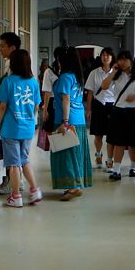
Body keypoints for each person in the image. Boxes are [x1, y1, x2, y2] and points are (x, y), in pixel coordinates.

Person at [0, 49, 42, 208]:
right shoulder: (34, 82)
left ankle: (15, 196)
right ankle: (35, 190)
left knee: (13, 163)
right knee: (24, 159)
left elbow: (2, 106)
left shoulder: (8, 82)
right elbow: (36, 106)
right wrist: (30, 120)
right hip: (27, 128)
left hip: (11, 128)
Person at [50, 46, 92, 201]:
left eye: (58, 59)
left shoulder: (65, 77)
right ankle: (76, 184)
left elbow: (65, 99)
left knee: (66, 154)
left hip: (67, 120)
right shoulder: (76, 77)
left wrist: (65, 122)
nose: (57, 62)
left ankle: (74, 186)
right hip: (79, 120)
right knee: (76, 153)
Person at [101, 49, 135, 181]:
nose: (122, 62)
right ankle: (116, 170)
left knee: (134, 143)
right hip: (118, 111)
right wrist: (113, 71)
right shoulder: (116, 75)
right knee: (119, 142)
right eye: (120, 59)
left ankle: (133, 167)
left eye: (125, 59)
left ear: (130, 60)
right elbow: (104, 86)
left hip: (134, 112)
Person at [0, 31, 24, 195]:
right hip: (23, 118)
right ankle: (18, 181)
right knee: (20, 156)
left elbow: (5, 101)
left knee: (12, 156)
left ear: (12, 48)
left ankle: (13, 185)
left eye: (3, 46)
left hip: (12, 117)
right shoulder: (22, 64)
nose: (0, 49)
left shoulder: (12, 66)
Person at [84, 47, 116, 171]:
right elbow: (90, 93)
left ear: (112, 57)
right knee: (98, 135)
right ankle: (98, 155)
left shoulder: (116, 73)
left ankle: (110, 160)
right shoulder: (94, 73)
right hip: (98, 104)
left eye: (108, 55)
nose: (105, 57)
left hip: (112, 105)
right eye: (103, 55)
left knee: (111, 136)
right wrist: (88, 109)